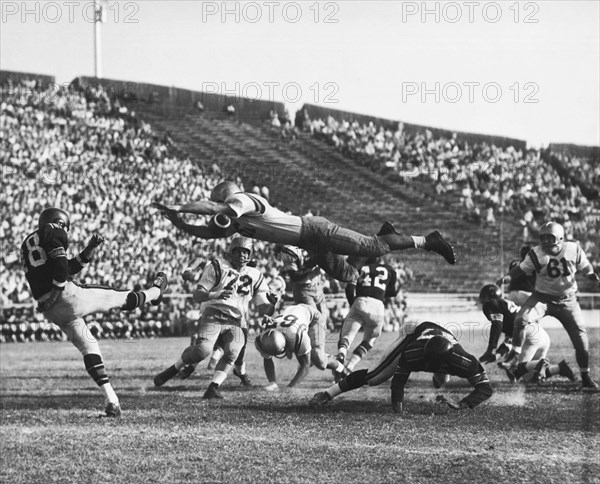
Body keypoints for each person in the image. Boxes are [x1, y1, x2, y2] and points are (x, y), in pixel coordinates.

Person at [152, 180, 456, 283]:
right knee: (346, 274)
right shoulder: (237, 221)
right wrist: (175, 220)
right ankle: (385, 232)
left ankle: (428, 240)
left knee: (376, 248)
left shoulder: (243, 201)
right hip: (310, 240)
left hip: (316, 230)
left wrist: (179, 207)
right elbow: (205, 234)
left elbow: (215, 210)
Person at [21, 207, 168, 417]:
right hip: (66, 297)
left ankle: (112, 401)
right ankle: (156, 291)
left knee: (89, 346)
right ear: (60, 222)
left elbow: (65, 267)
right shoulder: (55, 229)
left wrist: (88, 250)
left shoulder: (29, 241)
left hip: (51, 310)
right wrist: (56, 293)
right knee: (121, 297)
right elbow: (62, 266)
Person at [153, 236, 275, 398]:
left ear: (251, 254)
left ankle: (213, 388)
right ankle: (174, 369)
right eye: (238, 252)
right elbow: (197, 294)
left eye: (246, 252)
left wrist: (271, 304)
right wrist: (216, 294)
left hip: (237, 321)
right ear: (231, 252)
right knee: (202, 351)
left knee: (234, 351)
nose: (242, 256)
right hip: (214, 315)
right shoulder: (217, 266)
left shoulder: (255, 274)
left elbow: (263, 308)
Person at [498, 222, 600, 389]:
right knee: (521, 319)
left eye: (549, 237)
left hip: (568, 300)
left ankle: (585, 376)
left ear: (560, 237)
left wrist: (589, 273)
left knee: (581, 341)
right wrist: (508, 277)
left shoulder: (573, 249)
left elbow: (585, 265)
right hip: (542, 298)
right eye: (543, 237)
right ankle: (515, 355)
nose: (545, 241)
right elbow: (522, 269)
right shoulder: (536, 253)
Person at [309, 321, 493, 413]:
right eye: (427, 362)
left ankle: (435, 395)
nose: (427, 366)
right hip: (415, 333)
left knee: (443, 380)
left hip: (443, 338)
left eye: (433, 365)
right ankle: (327, 394)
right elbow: (398, 380)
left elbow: (485, 388)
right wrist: (398, 405)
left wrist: (464, 404)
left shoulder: (463, 361)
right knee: (375, 378)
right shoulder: (413, 353)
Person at [478, 284, 575, 383]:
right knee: (530, 377)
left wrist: (491, 348)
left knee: (513, 369)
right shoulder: (506, 307)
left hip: (528, 335)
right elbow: (509, 340)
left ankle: (540, 363)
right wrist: (496, 356)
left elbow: (497, 325)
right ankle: (560, 368)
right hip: (540, 335)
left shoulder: (491, 304)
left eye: (484, 296)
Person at [254, 303, 346, 389]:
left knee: (318, 360)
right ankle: (272, 382)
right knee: (303, 355)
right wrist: (272, 383)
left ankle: (340, 366)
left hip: (313, 318)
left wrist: (290, 388)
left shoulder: (297, 335)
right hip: (294, 313)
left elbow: (305, 366)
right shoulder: (268, 333)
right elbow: (267, 356)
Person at [336, 257, 399, 374]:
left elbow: (349, 289)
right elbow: (393, 292)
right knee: (370, 341)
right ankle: (350, 366)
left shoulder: (359, 267)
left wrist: (353, 305)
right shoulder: (389, 269)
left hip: (360, 301)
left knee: (347, 335)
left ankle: (342, 352)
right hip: (377, 306)